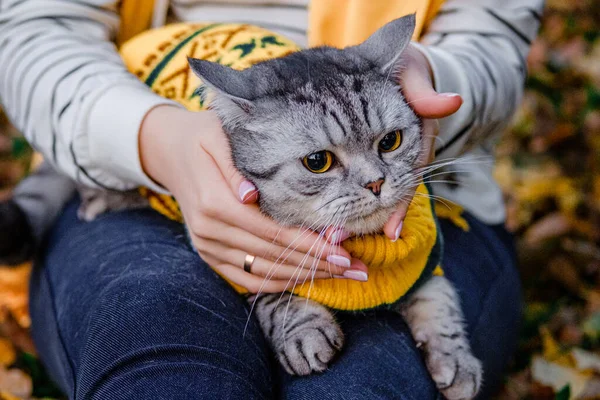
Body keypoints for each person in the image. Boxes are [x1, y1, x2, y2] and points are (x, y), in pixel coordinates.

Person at [0, 0, 543, 398]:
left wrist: (432, 84)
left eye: (386, 144)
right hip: (152, 146)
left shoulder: (385, 160)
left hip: (437, 184)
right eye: (320, 163)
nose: (376, 181)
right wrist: (151, 139)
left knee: (357, 387)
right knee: (161, 354)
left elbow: (493, 40)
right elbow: (33, 29)